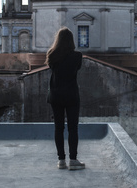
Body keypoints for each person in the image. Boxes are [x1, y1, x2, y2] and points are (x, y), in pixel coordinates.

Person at [46, 27, 85, 170]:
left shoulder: (51, 55)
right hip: (71, 95)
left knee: (58, 128)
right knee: (73, 128)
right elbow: (77, 69)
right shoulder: (77, 56)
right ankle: (73, 160)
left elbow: (52, 68)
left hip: (56, 95)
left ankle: (61, 160)